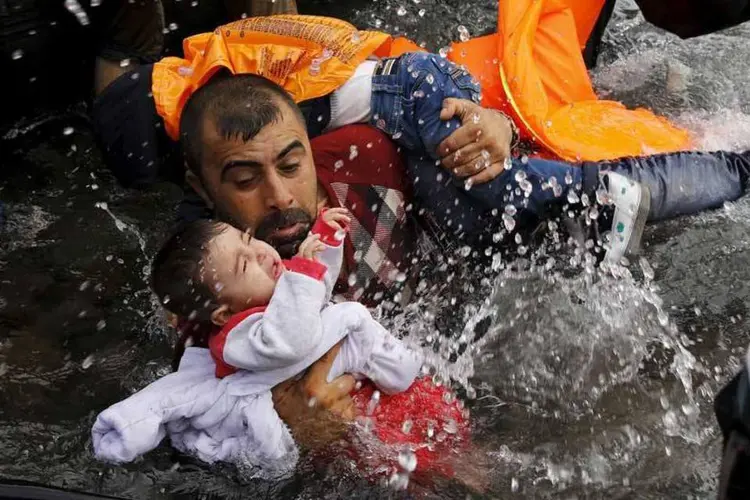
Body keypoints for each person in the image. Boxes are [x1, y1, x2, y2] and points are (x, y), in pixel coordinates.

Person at [92, 210, 469, 482]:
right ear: (222, 314)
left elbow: (315, 285)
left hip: (371, 396)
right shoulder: (240, 335)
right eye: (243, 267)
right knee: (439, 475)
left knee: (458, 443)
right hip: (359, 423)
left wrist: (325, 240)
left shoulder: (268, 291)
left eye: (247, 239)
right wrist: (304, 275)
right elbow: (294, 337)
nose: (260, 253)